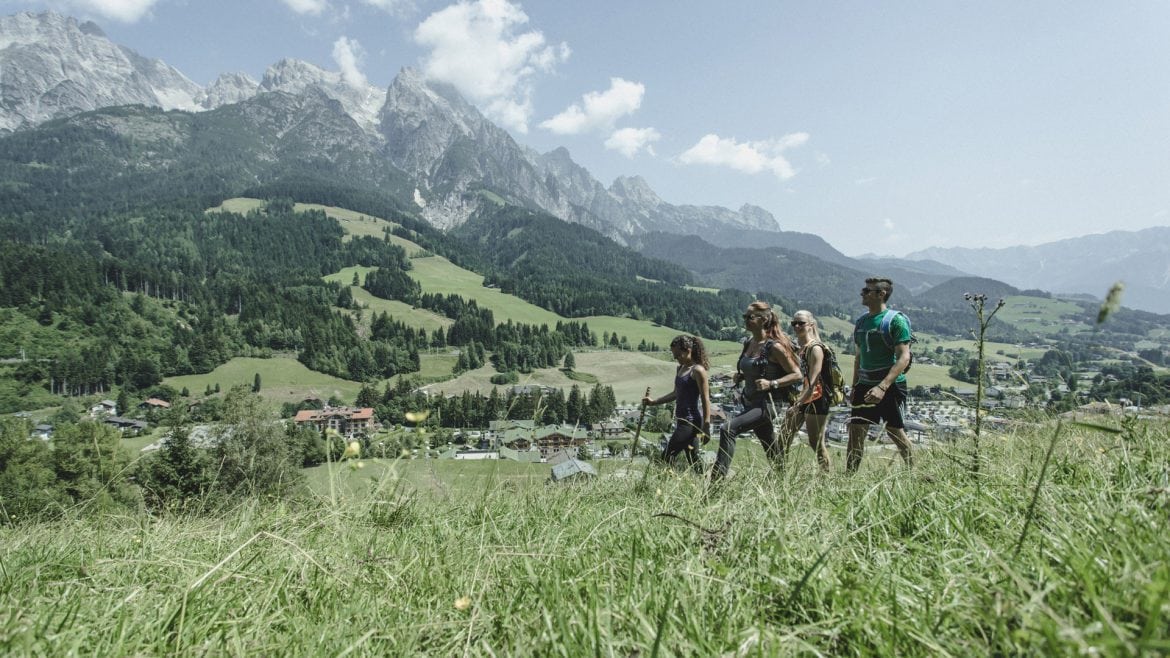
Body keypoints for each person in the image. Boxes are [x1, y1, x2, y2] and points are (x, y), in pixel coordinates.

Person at [711, 301, 802, 480]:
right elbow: (754, 368)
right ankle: (784, 481)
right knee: (770, 445)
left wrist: (772, 383)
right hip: (751, 401)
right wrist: (742, 376)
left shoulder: (774, 347)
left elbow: (797, 374)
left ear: (764, 319)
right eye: (745, 316)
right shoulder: (749, 343)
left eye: (750, 317)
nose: (746, 320)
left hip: (768, 404)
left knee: (727, 429)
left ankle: (716, 482)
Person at [848, 278, 914, 472]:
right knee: (855, 432)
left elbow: (904, 357)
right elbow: (858, 358)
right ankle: (847, 479)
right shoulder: (861, 322)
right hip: (865, 383)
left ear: (881, 294)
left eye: (867, 291)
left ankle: (915, 473)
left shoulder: (895, 320)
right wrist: (854, 386)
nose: (862, 294)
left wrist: (882, 386)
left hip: (889, 386)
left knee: (894, 431)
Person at [642, 335, 711, 473]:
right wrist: (654, 402)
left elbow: (705, 398)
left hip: (691, 423)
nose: (676, 358)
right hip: (681, 421)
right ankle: (707, 485)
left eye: (678, 354)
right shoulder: (680, 368)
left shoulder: (698, 370)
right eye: (674, 355)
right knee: (693, 458)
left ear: (689, 350)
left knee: (667, 456)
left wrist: (707, 426)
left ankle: (671, 484)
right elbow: (675, 393)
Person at [785, 310, 832, 472]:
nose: (797, 326)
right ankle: (779, 471)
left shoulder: (815, 348)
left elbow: (813, 381)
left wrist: (797, 404)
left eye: (801, 323)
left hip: (817, 398)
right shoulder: (800, 347)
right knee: (785, 436)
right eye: (794, 323)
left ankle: (826, 476)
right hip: (803, 397)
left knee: (815, 441)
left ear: (811, 325)